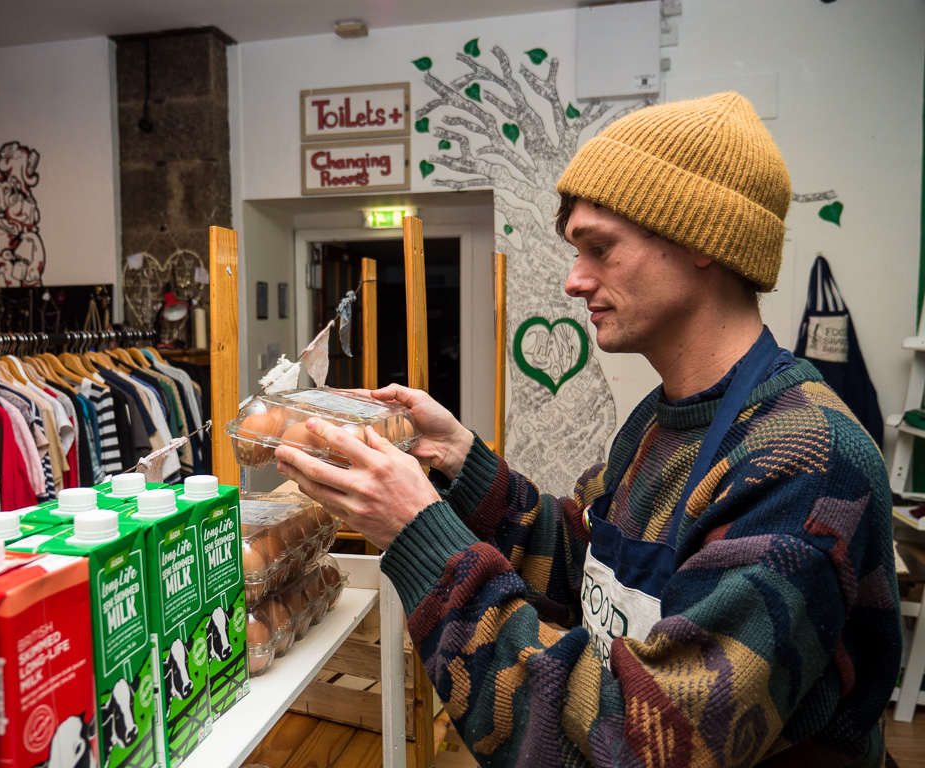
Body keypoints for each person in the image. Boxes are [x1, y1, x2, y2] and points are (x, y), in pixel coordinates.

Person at [274, 92, 902, 767]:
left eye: (600, 248)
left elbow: (633, 749)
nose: (573, 281)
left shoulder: (805, 461)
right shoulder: (659, 421)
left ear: (703, 242)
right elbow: (586, 567)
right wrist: (460, 460)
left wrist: (420, 534)